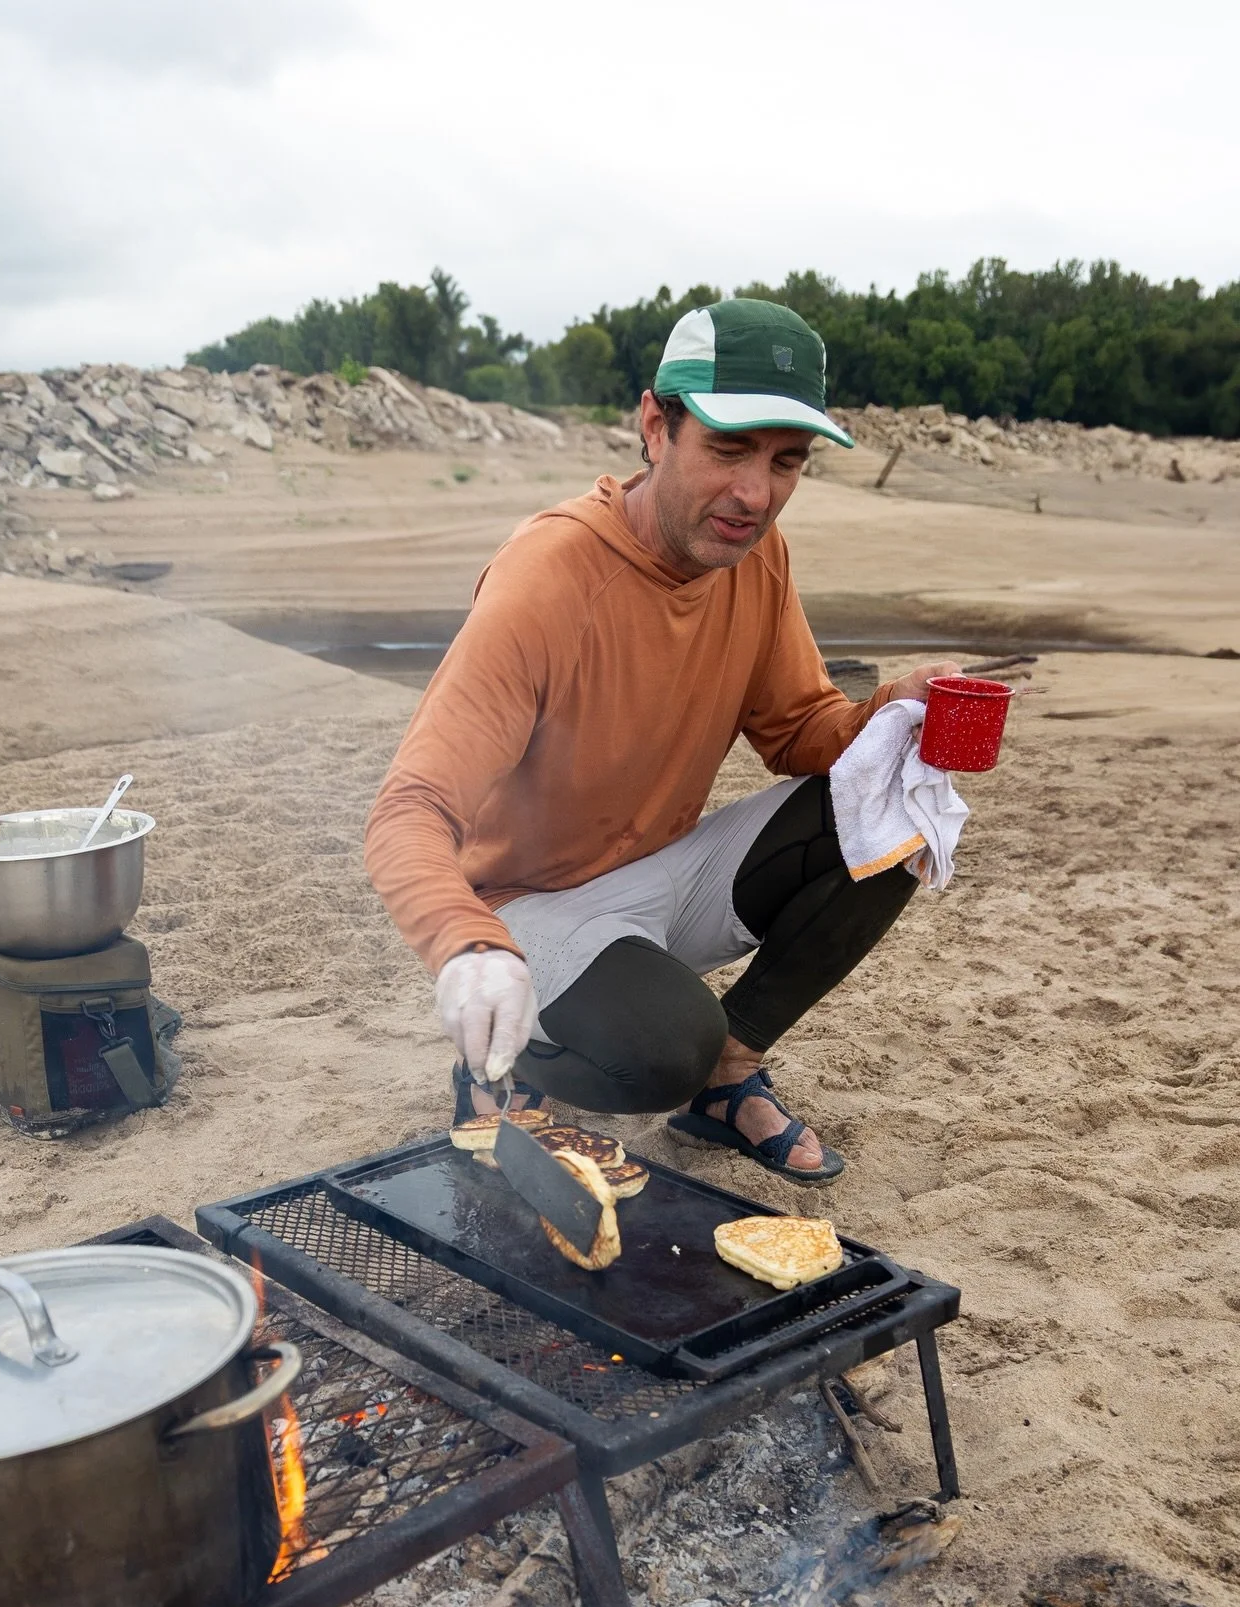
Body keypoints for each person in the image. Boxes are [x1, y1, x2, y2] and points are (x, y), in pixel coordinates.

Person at [365, 298, 959, 1183]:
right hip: (529, 910)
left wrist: (892, 718)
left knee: (894, 809)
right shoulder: (551, 579)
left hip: (665, 873)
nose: (755, 495)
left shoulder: (756, 557)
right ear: (655, 425)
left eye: (785, 462)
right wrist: (470, 947)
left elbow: (800, 732)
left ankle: (729, 1078)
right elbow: (408, 810)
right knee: (660, 1050)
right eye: (728, 449)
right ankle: (504, 1052)